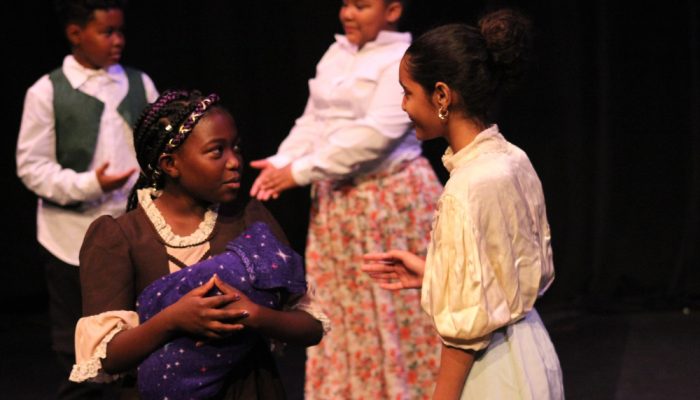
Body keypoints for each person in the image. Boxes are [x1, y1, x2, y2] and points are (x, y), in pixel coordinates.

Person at [68, 89, 328, 400]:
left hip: (250, 389)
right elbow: (107, 355)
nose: (234, 162)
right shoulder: (120, 237)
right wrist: (172, 319)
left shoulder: (251, 221)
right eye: (217, 151)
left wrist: (257, 316)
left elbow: (311, 326)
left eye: (236, 148)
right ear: (170, 164)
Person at [362, 9, 565, 400]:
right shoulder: (513, 159)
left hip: (494, 374)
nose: (403, 106)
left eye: (407, 92)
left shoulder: (465, 188)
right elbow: (509, 272)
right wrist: (435, 274)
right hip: (532, 353)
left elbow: (466, 332)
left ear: (441, 95)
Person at [248, 0, 441, 398]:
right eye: (345, 4)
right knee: (346, 314)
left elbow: (373, 138)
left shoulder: (404, 59)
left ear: (392, 10)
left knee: (395, 309)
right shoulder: (336, 53)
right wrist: (283, 159)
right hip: (338, 207)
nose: (348, 14)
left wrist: (299, 172)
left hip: (387, 201)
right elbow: (314, 120)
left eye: (362, 5)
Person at [15, 0, 158, 398]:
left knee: (135, 335)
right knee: (79, 350)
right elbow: (32, 167)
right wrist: (90, 184)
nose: (118, 41)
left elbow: (156, 145)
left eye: (120, 31)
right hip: (70, 238)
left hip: (132, 232)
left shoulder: (138, 83)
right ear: (76, 34)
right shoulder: (47, 91)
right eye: (106, 32)